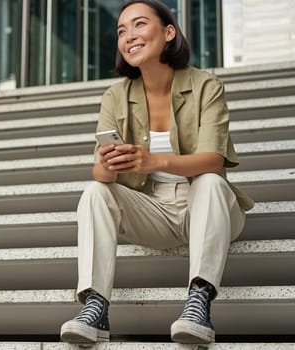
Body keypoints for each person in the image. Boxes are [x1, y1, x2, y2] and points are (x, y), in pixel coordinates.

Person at [59, 0, 255, 345]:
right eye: (121, 30)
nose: (128, 36)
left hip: (208, 205)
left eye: (138, 25)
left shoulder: (206, 85)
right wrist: (108, 165)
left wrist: (154, 162)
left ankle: (199, 301)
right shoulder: (115, 96)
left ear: (168, 32)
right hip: (153, 211)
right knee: (93, 191)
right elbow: (99, 173)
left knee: (209, 181)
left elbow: (214, 160)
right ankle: (95, 307)